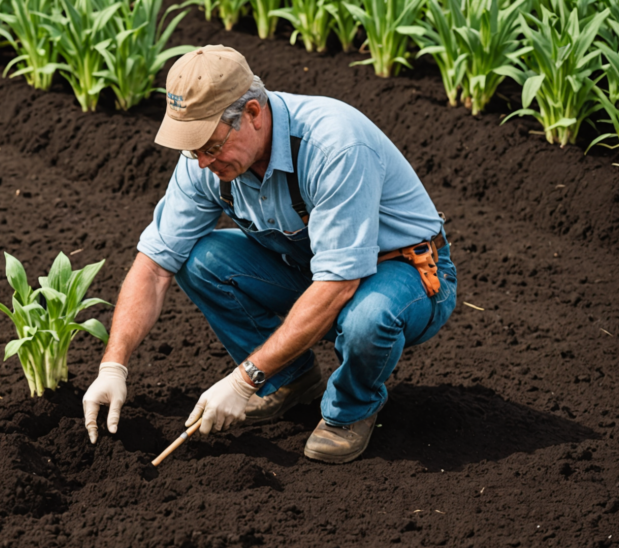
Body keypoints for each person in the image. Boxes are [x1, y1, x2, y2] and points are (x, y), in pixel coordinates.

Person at [81, 45, 458, 463]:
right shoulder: (206, 162)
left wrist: (244, 379)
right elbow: (153, 266)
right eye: (193, 150)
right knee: (200, 259)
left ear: (254, 114)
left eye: (210, 146)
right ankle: (292, 383)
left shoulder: (333, 146)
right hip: (311, 268)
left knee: (367, 319)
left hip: (404, 272)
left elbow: (339, 284)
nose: (202, 163)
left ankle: (352, 408)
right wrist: (113, 367)